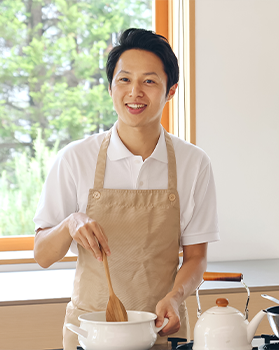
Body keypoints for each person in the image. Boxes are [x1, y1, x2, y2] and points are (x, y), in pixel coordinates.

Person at [33, 28, 219, 349]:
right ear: (110, 87)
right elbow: (43, 254)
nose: (135, 92)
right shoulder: (75, 159)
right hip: (91, 333)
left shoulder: (194, 163)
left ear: (170, 91)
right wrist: (71, 222)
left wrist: (175, 298)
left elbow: (196, 257)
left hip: (161, 330)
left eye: (149, 81)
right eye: (124, 80)